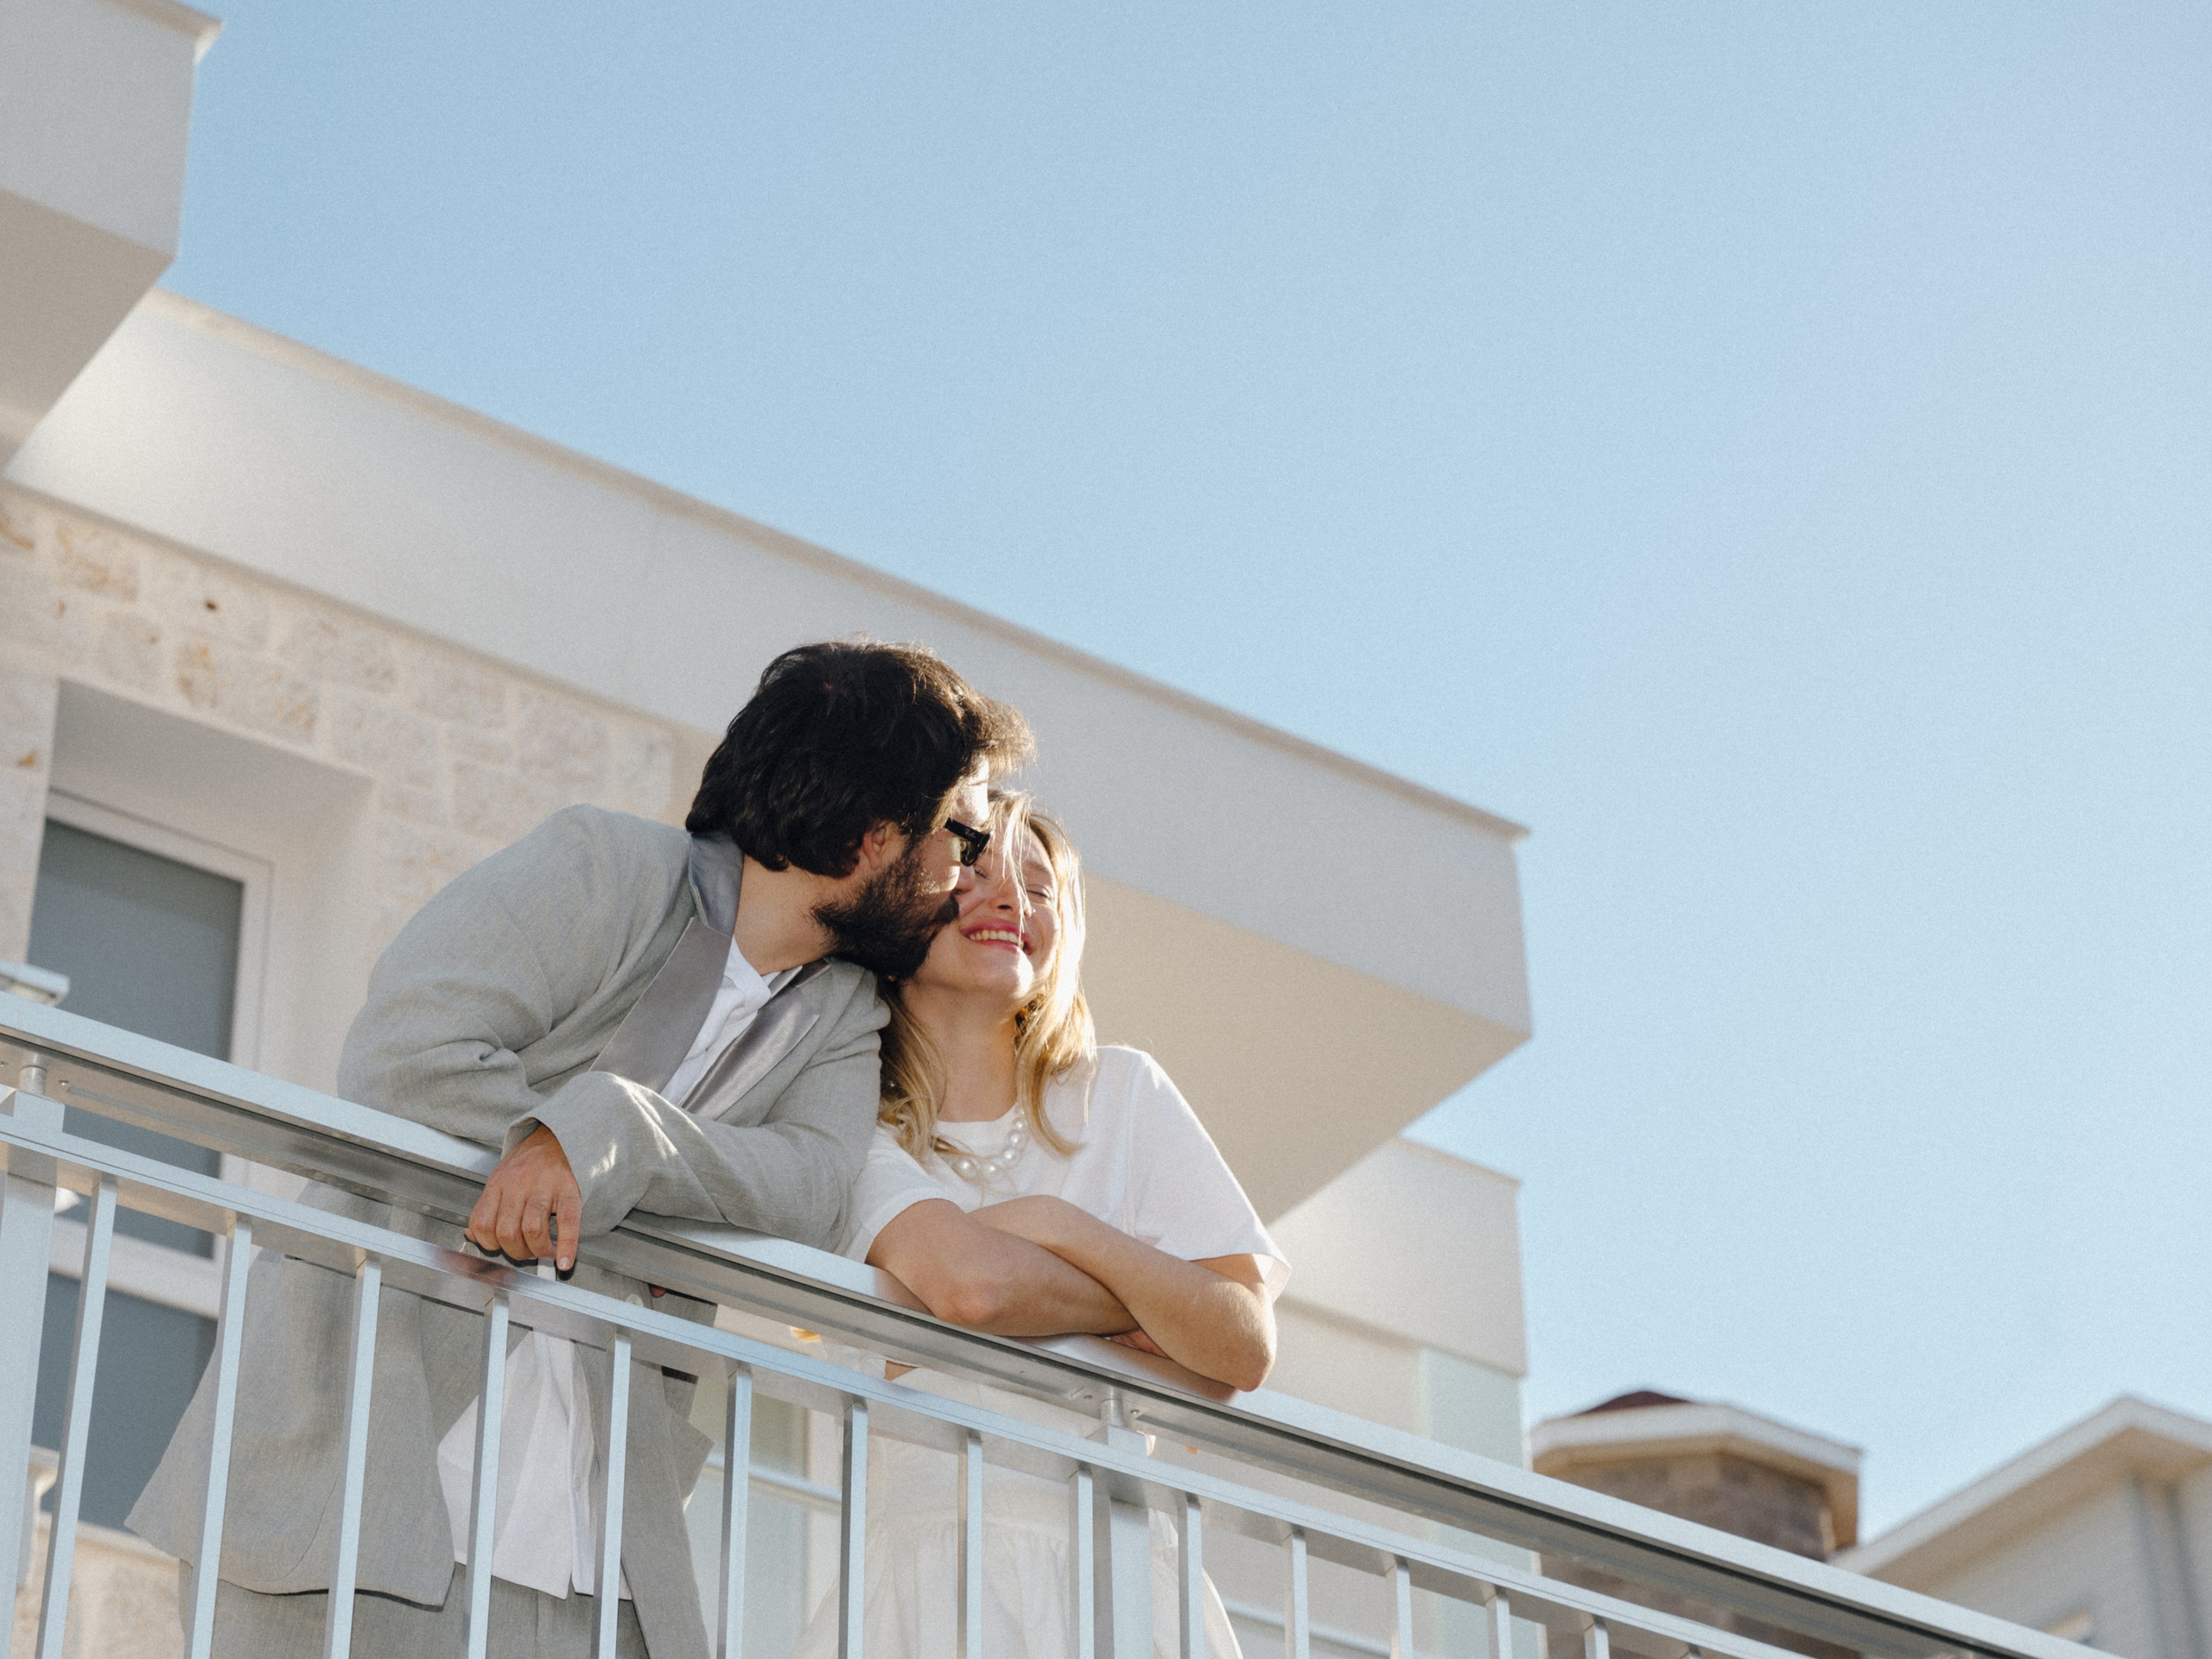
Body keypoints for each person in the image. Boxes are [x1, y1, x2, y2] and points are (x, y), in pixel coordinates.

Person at [130, 640, 1033, 1659]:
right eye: (963, 826)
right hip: (353, 1478)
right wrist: (578, 1162)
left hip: (588, 1553)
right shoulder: (605, 865)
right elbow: (405, 1056)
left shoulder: (841, 1016)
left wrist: (602, 1136)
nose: (968, 870)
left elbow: (813, 1195)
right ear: (875, 830)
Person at [790, 793, 1287, 1659]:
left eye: (1038, 886)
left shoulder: (1123, 1092)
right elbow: (973, 1289)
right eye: (976, 873)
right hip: (925, 1596)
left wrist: (1061, 1227)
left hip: (1127, 1587)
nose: (1012, 902)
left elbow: (1241, 1343)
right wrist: (1150, 1307)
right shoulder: (843, 1119)